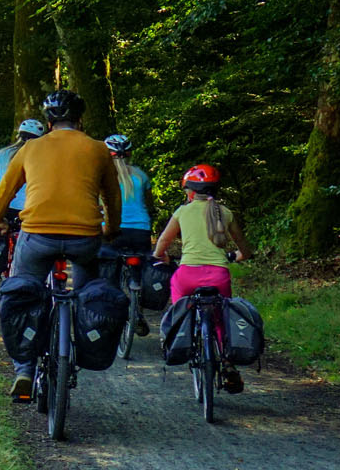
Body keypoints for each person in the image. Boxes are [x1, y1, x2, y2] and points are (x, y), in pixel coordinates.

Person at [0, 90, 122, 402]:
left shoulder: (31, 148)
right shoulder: (98, 149)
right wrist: (111, 230)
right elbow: (112, 197)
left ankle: (23, 368)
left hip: (37, 234)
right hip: (85, 236)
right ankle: (81, 339)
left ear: (48, 120)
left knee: (23, 291)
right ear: (80, 119)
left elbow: (6, 188)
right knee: (87, 294)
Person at [153, 163, 256, 391]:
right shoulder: (225, 213)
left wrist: (161, 256)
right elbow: (243, 248)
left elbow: (163, 242)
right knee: (220, 319)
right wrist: (237, 256)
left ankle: (182, 336)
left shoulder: (182, 212)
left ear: (190, 192)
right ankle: (228, 363)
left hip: (187, 275)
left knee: (181, 305)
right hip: (219, 276)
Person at [104, 133, 156, 335]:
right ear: (130, 153)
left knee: (109, 272)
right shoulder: (141, 176)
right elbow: (149, 204)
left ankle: (110, 311)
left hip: (113, 230)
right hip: (140, 230)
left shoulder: (103, 178)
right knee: (139, 271)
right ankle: (138, 311)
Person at [0, 118, 46, 216]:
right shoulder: (44, 158)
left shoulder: (3, 153)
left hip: (3, 204)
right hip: (31, 207)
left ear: (19, 134)